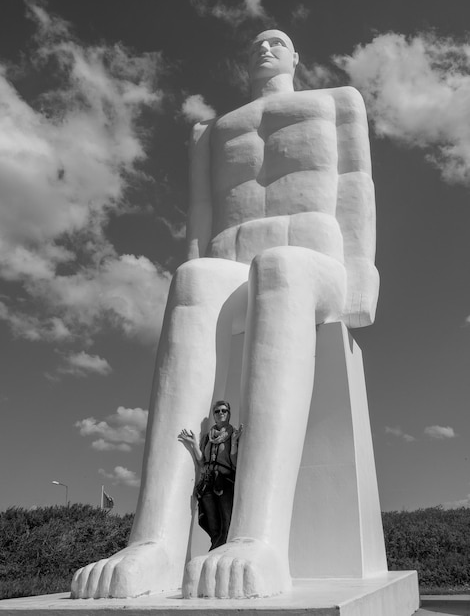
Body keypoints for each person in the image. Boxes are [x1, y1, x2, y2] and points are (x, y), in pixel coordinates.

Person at [71, 29, 378, 600]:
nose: (266, 48)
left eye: (279, 41)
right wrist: (191, 290)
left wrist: (362, 274)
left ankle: (258, 538)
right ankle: (156, 543)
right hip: (230, 265)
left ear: (295, 57)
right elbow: (202, 215)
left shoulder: (337, 102)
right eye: (258, 43)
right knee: (191, 278)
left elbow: (355, 183)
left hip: (315, 259)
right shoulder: (210, 132)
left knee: (280, 268)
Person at [178, 400, 243, 550]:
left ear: (229, 414)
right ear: (214, 415)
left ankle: (220, 551)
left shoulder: (232, 434)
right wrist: (194, 443)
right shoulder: (208, 437)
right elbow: (202, 461)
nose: (221, 413)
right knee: (210, 521)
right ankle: (215, 548)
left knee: (226, 521)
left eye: (224, 411)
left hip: (225, 482)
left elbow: (234, 462)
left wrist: (233, 443)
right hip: (208, 484)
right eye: (217, 411)